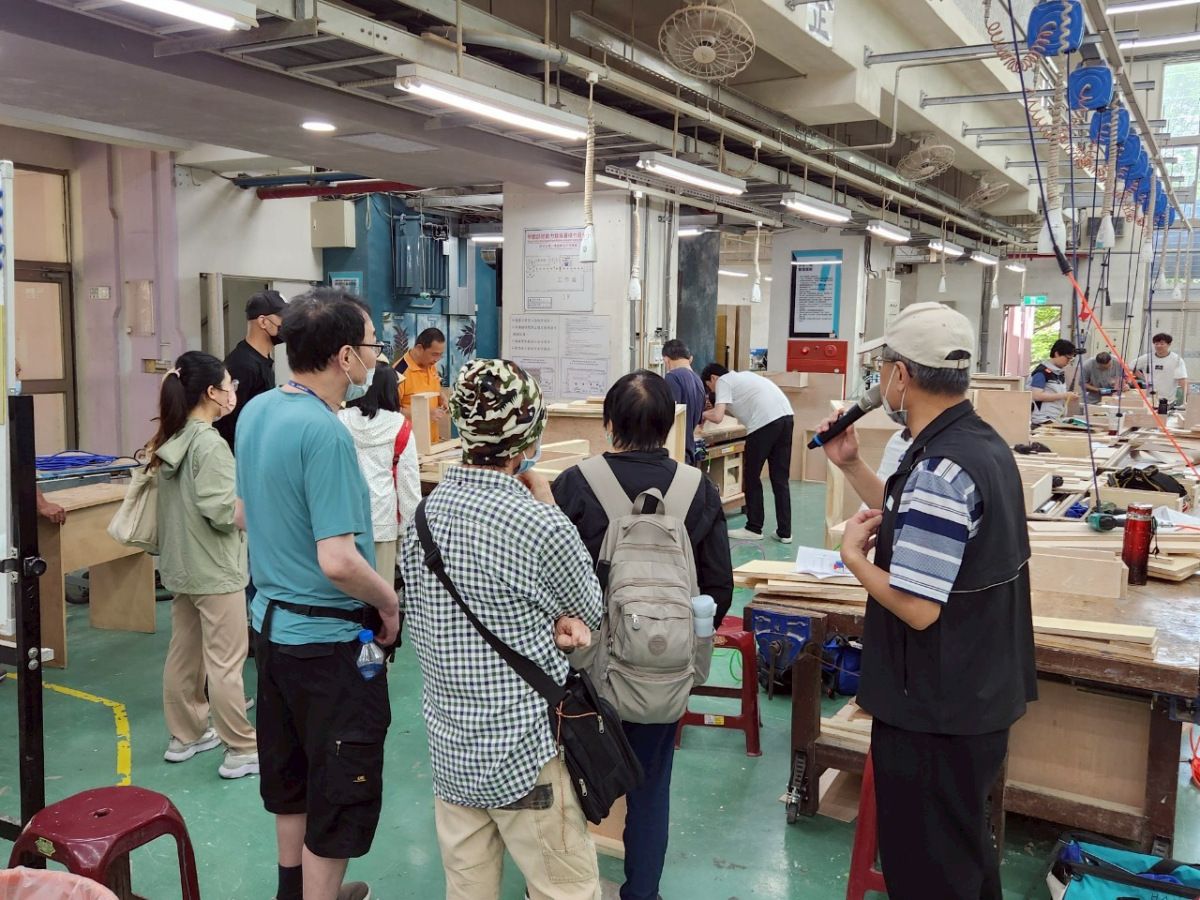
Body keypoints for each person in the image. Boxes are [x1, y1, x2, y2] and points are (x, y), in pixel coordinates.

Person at [815, 302, 1036, 900]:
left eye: (884, 367)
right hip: (979, 691)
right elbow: (912, 517)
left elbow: (918, 606)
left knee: (929, 872)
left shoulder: (940, 466)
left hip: (938, 709)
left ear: (902, 376)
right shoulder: (978, 443)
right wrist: (854, 464)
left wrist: (855, 560)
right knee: (964, 856)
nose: (881, 380)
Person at [399, 358, 603, 900]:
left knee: (468, 892)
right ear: (530, 436)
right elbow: (589, 611)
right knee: (568, 890)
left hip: (452, 749)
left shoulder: (421, 521)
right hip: (524, 750)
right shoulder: (540, 523)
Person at [235, 287, 399, 900]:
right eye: (372, 346)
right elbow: (338, 561)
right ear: (343, 357)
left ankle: (292, 890)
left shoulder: (258, 411)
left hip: (270, 630)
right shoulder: (326, 435)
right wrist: (387, 600)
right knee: (338, 780)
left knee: (291, 770)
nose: (376, 359)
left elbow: (244, 514)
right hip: (327, 644)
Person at [552, 369, 733, 900]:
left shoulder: (575, 484)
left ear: (610, 426)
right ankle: (642, 893)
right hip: (663, 672)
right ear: (670, 423)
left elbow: (551, 582)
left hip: (582, 674)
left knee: (567, 785)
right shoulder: (698, 490)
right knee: (651, 790)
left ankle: (565, 888)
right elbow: (718, 588)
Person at [149, 351, 258, 779]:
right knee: (226, 661)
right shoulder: (209, 444)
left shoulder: (171, 438)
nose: (234, 391)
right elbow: (222, 510)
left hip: (182, 567)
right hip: (215, 570)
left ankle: (187, 735)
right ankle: (241, 748)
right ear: (212, 393)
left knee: (185, 653)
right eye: (229, 385)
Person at [337, 362, 422, 583]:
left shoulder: (339, 420)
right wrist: (407, 538)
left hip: (341, 521)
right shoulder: (400, 427)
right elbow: (408, 488)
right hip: (383, 525)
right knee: (379, 596)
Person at [699, 363, 794, 543]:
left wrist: (700, 414)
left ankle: (754, 527)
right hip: (786, 418)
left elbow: (718, 417)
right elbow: (736, 409)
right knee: (780, 479)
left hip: (764, 424)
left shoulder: (723, 381)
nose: (712, 391)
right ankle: (785, 532)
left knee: (751, 476)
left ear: (713, 378)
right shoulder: (744, 377)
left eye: (709, 386)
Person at [215, 290, 287, 451]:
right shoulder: (242, 365)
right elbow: (230, 424)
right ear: (263, 321)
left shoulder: (262, 361)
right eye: (282, 318)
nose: (287, 324)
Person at [395, 327, 448, 441]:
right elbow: (391, 411)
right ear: (420, 348)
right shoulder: (399, 373)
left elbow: (434, 388)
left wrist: (441, 397)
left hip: (431, 442)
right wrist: (423, 415)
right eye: (434, 354)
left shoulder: (431, 365)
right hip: (410, 445)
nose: (437, 359)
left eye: (440, 355)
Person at [661, 340, 707, 464]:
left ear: (666, 359)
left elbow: (670, 415)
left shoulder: (672, 377)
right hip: (689, 449)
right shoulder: (698, 381)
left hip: (675, 450)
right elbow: (698, 419)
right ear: (689, 358)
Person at [1028, 339, 1079, 425]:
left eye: (1071, 359)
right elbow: (1036, 395)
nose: (1068, 362)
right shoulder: (1041, 372)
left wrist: (1068, 396)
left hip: (1055, 419)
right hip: (1044, 420)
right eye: (1067, 358)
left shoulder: (1059, 373)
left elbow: (1055, 394)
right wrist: (1064, 395)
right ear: (1057, 353)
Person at [1134, 332, 1189, 406]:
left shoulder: (1177, 360)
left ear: (1169, 344)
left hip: (1168, 400)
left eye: (1162, 344)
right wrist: (1145, 378)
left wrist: (1189, 398)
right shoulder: (1146, 358)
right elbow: (1131, 368)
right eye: (1156, 344)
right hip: (1150, 399)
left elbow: (1182, 380)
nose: (1159, 346)